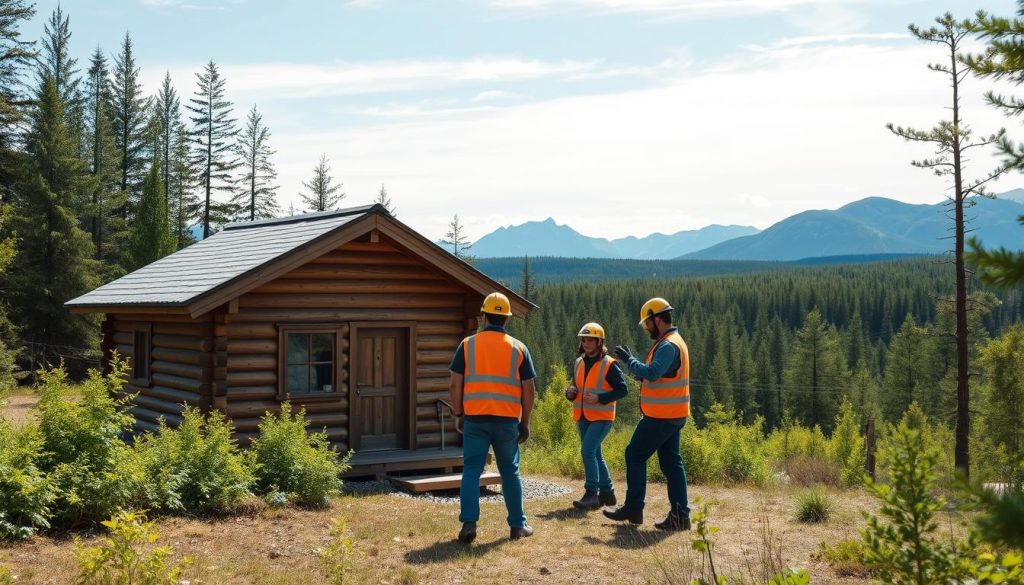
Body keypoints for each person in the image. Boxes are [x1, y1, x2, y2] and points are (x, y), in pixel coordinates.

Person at [449, 292, 537, 543]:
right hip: (507, 421)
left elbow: (455, 385)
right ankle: (518, 527)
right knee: (510, 472)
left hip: (475, 419)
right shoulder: (519, 348)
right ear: (506, 320)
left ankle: (469, 523)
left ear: (484, 315)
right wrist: (525, 421)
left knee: (472, 470)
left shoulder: (467, 345)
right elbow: (529, 389)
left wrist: (457, 413)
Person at [603, 297, 692, 531]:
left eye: (647, 324)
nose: (646, 329)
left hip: (661, 415)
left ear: (657, 319)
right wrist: (635, 370)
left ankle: (634, 508)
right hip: (673, 414)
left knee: (634, 454)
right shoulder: (673, 341)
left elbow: (652, 373)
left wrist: (629, 360)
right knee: (672, 463)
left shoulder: (668, 345)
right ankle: (681, 516)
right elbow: (657, 376)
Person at [565, 322, 628, 510]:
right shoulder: (579, 361)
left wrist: (600, 398)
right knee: (596, 454)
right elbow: (577, 386)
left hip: (602, 416)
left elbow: (623, 390)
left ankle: (591, 493)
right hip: (583, 415)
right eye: (583, 340)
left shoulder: (609, 364)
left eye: (590, 340)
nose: (586, 343)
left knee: (587, 452)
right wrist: (570, 393)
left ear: (599, 342)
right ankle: (607, 493)